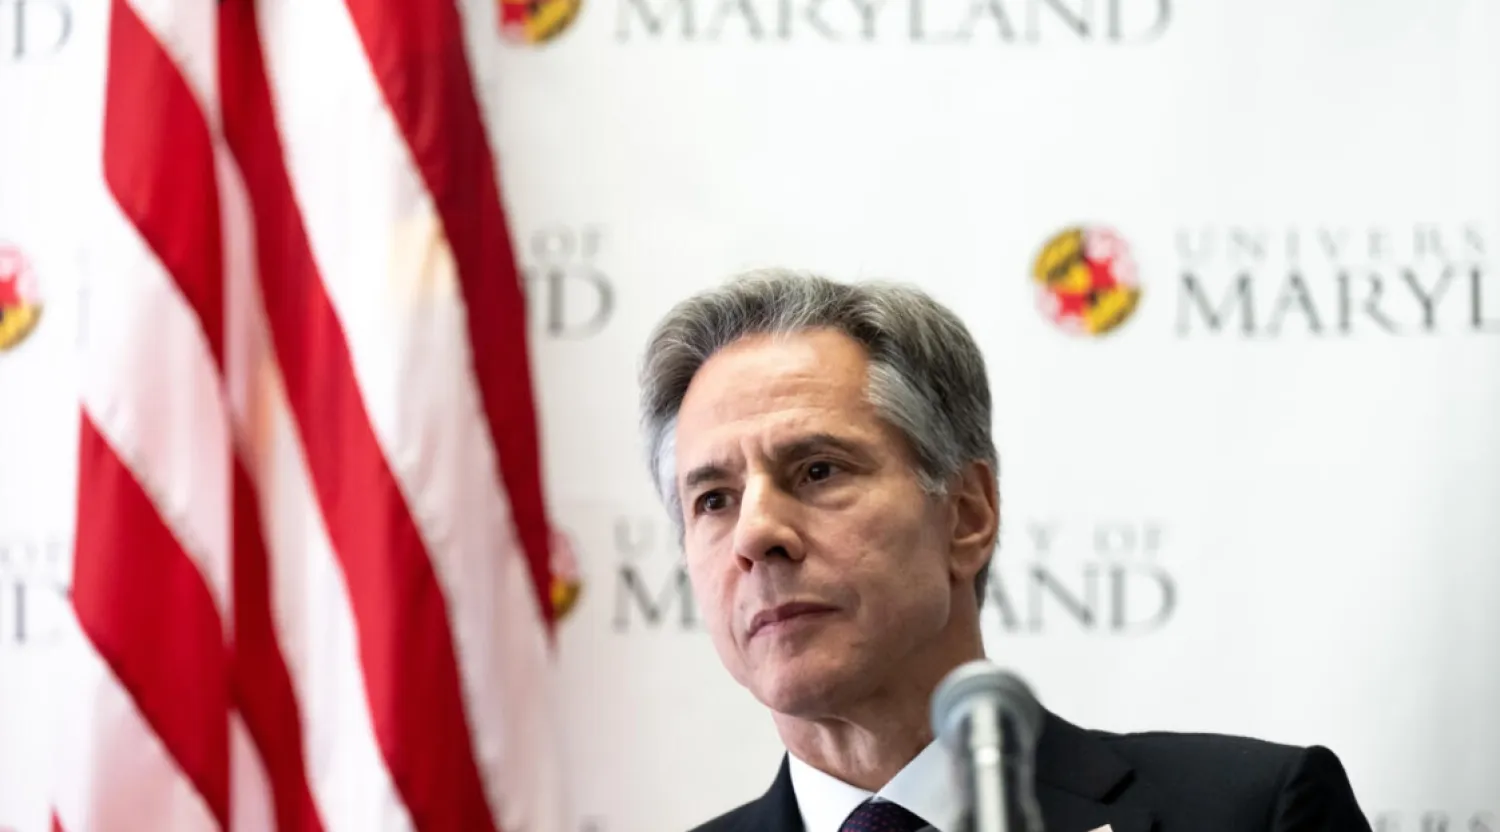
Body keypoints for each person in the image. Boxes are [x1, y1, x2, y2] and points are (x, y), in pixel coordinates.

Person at [637, 269, 1373, 832]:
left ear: (966, 514)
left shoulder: (1249, 812)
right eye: (713, 500)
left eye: (818, 470)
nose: (757, 533)